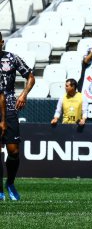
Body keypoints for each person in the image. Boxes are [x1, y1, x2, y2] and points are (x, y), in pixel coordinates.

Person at [0, 31, 35, 201]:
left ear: (2, 42)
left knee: (13, 151)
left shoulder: (12, 58)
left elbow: (30, 76)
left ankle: (10, 183)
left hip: (9, 106)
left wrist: (24, 94)